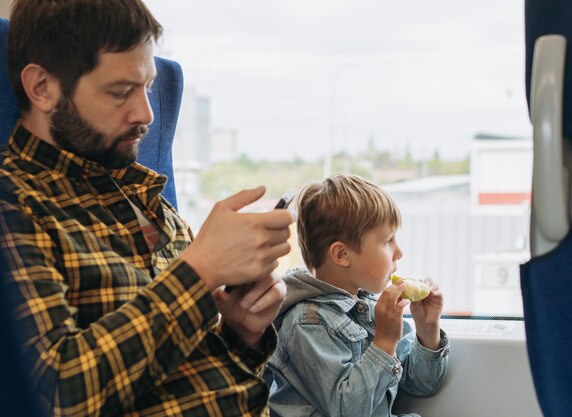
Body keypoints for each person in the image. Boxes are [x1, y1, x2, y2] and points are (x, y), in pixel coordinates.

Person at [0, 0, 295, 415]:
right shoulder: (15, 204)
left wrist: (240, 333)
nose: (147, 114)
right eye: (121, 92)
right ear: (42, 87)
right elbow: (54, 394)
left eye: (148, 87)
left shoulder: (152, 202)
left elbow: (196, 373)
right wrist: (200, 270)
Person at [267, 174, 450, 417]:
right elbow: (348, 410)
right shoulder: (307, 322)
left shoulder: (369, 307)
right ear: (342, 255)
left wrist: (427, 329)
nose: (399, 252)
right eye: (388, 241)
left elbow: (420, 384)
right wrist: (384, 342)